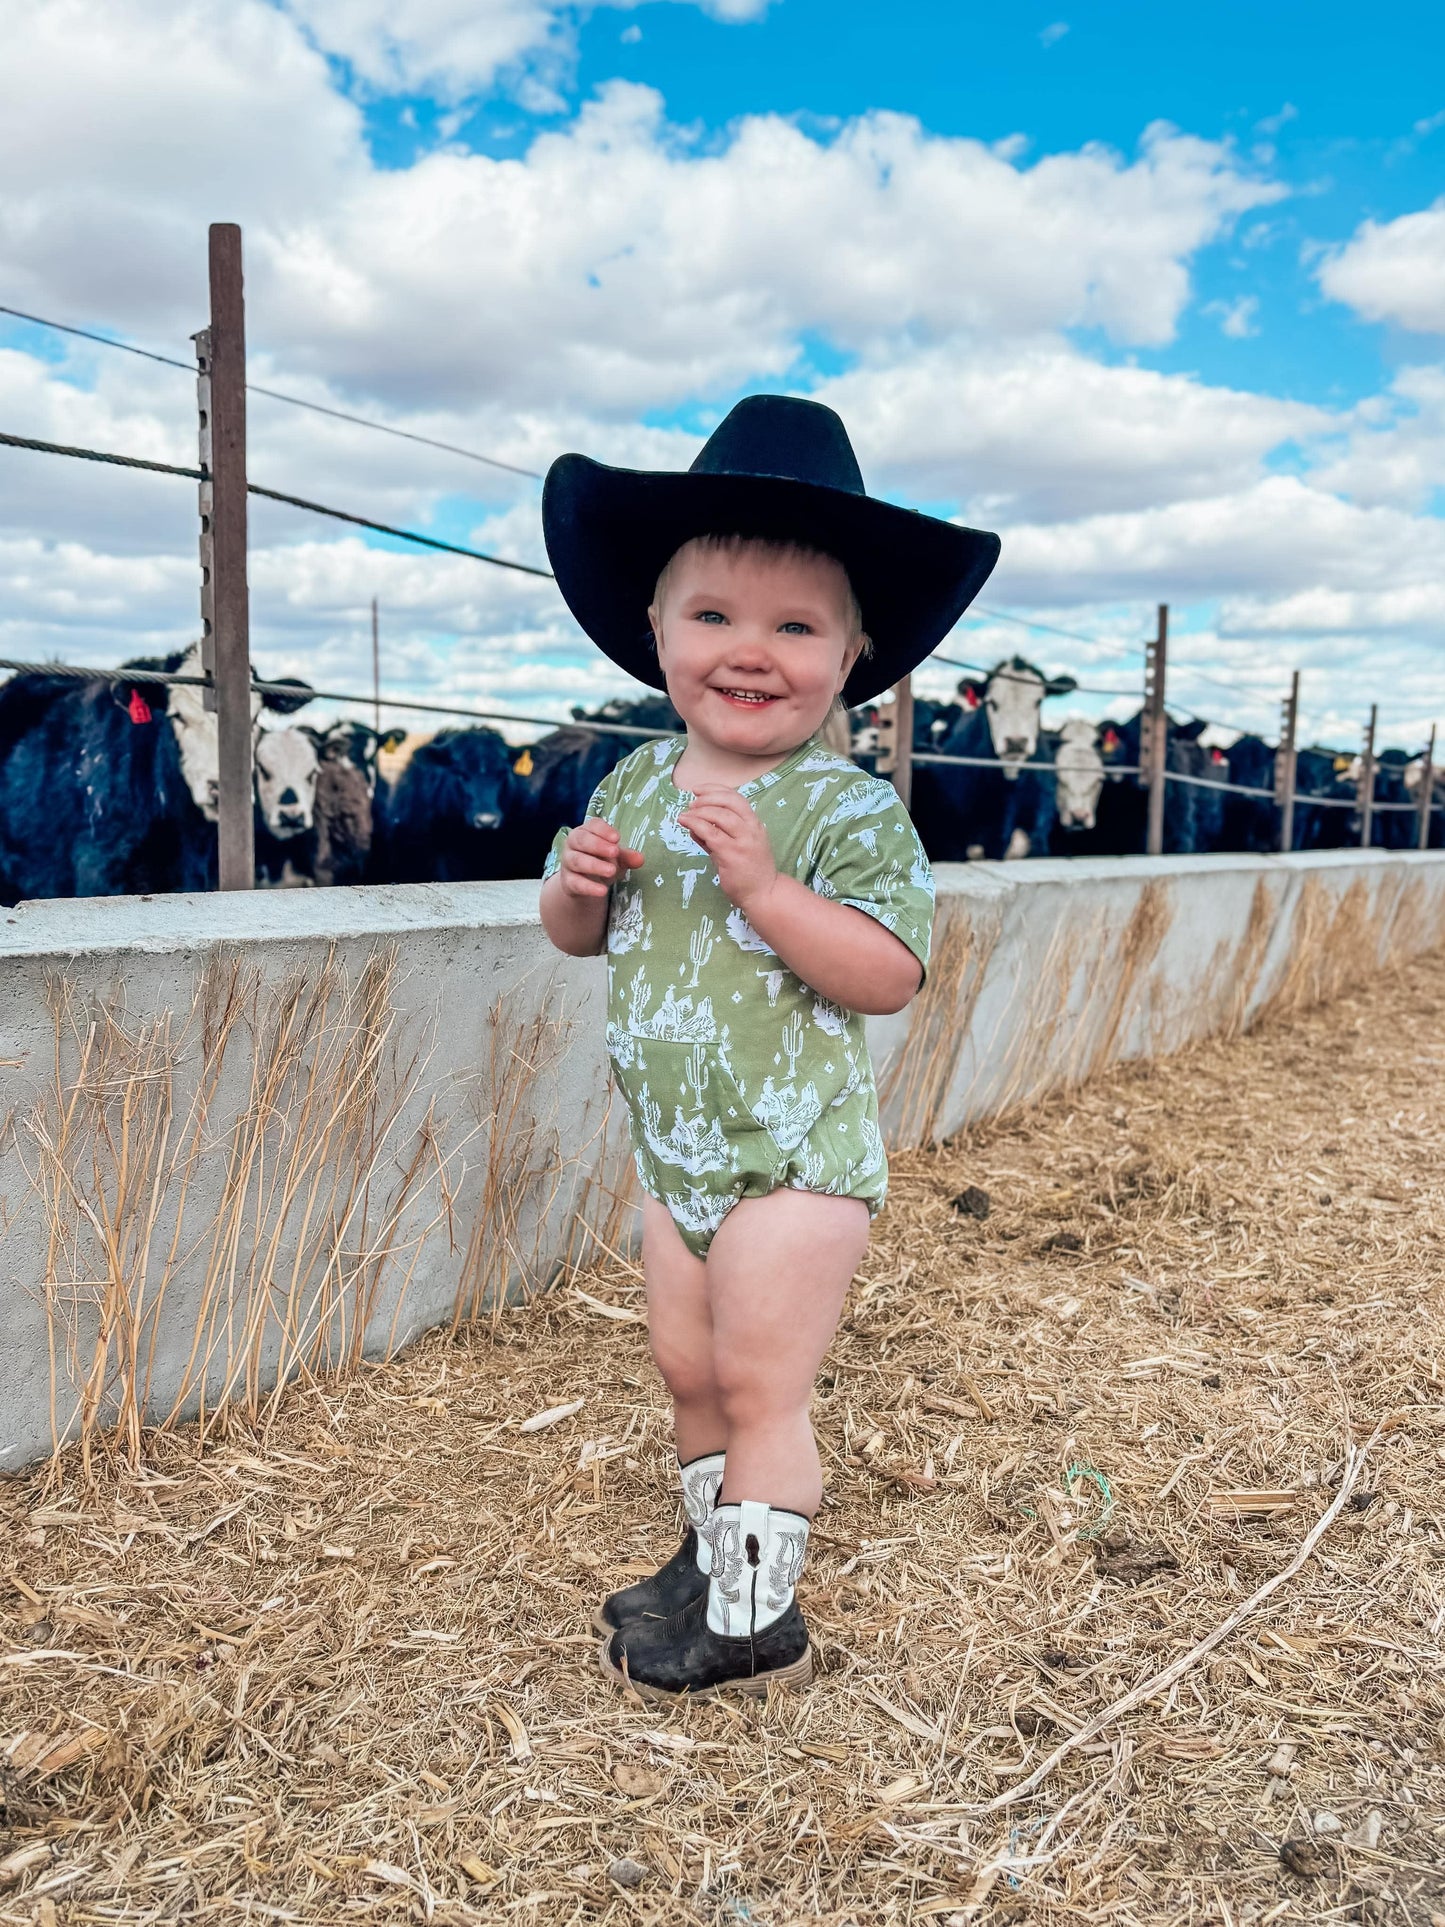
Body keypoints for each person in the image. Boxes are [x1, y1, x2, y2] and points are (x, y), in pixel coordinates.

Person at [538, 395, 998, 1699]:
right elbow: (577, 937)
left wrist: (765, 893)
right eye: (715, 617)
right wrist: (576, 886)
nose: (752, 652)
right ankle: (708, 1559)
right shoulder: (629, 786)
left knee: (757, 1379)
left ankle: (755, 1618)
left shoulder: (844, 809)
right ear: (656, 632)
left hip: (793, 1159)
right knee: (686, 1370)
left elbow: (889, 972)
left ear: (852, 656)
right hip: (672, 1153)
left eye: (795, 627)